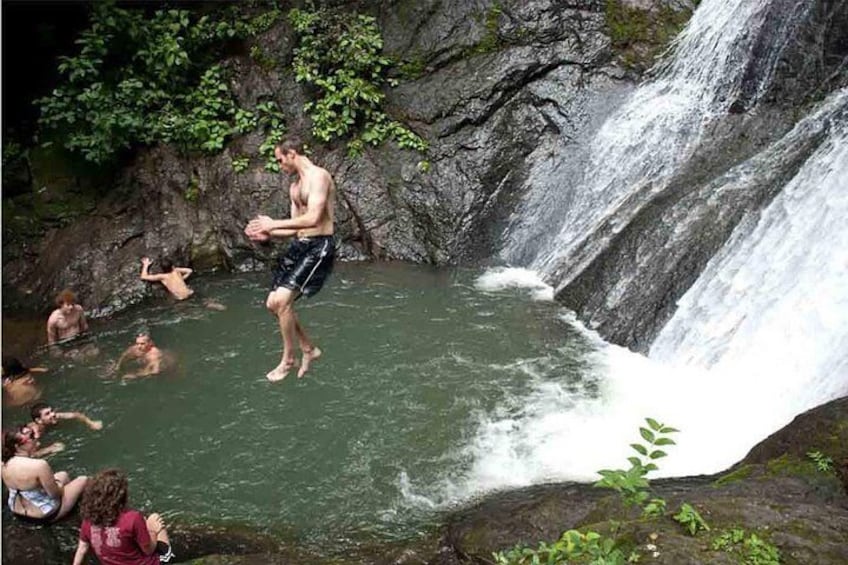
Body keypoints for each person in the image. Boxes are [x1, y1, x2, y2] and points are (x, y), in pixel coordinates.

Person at [244, 137, 336, 381]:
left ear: (292, 153)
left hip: (319, 246)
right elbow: (296, 227)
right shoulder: (295, 187)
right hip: (300, 244)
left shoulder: (319, 177)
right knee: (272, 304)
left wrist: (273, 223)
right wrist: (268, 232)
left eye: (280, 159)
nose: (279, 165)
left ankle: (288, 359)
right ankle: (308, 348)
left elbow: (314, 218)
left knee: (283, 301)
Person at [72, 468, 174, 565]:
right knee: (154, 518)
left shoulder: (88, 519)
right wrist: (154, 530)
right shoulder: (133, 518)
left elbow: (82, 550)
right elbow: (148, 550)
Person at [1, 426, 88, 523]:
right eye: (31, 436)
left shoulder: (3, 463)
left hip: (17, 510)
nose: (36, 437)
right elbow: (55, 494)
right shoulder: (39, 465)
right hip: (44, 515)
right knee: (83, 479)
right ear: (17, 446)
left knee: (63, 474)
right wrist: (58, 484)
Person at [140, 256, 226, 310]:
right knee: (205, 301)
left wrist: (146, 265)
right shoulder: (176, 271)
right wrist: (182, 278)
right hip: (190, 292)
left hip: (180, 298)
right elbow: (190, 271)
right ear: (172, 266)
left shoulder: (163, 276)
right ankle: (214, 305)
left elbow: (143, 277)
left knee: (182, 310)